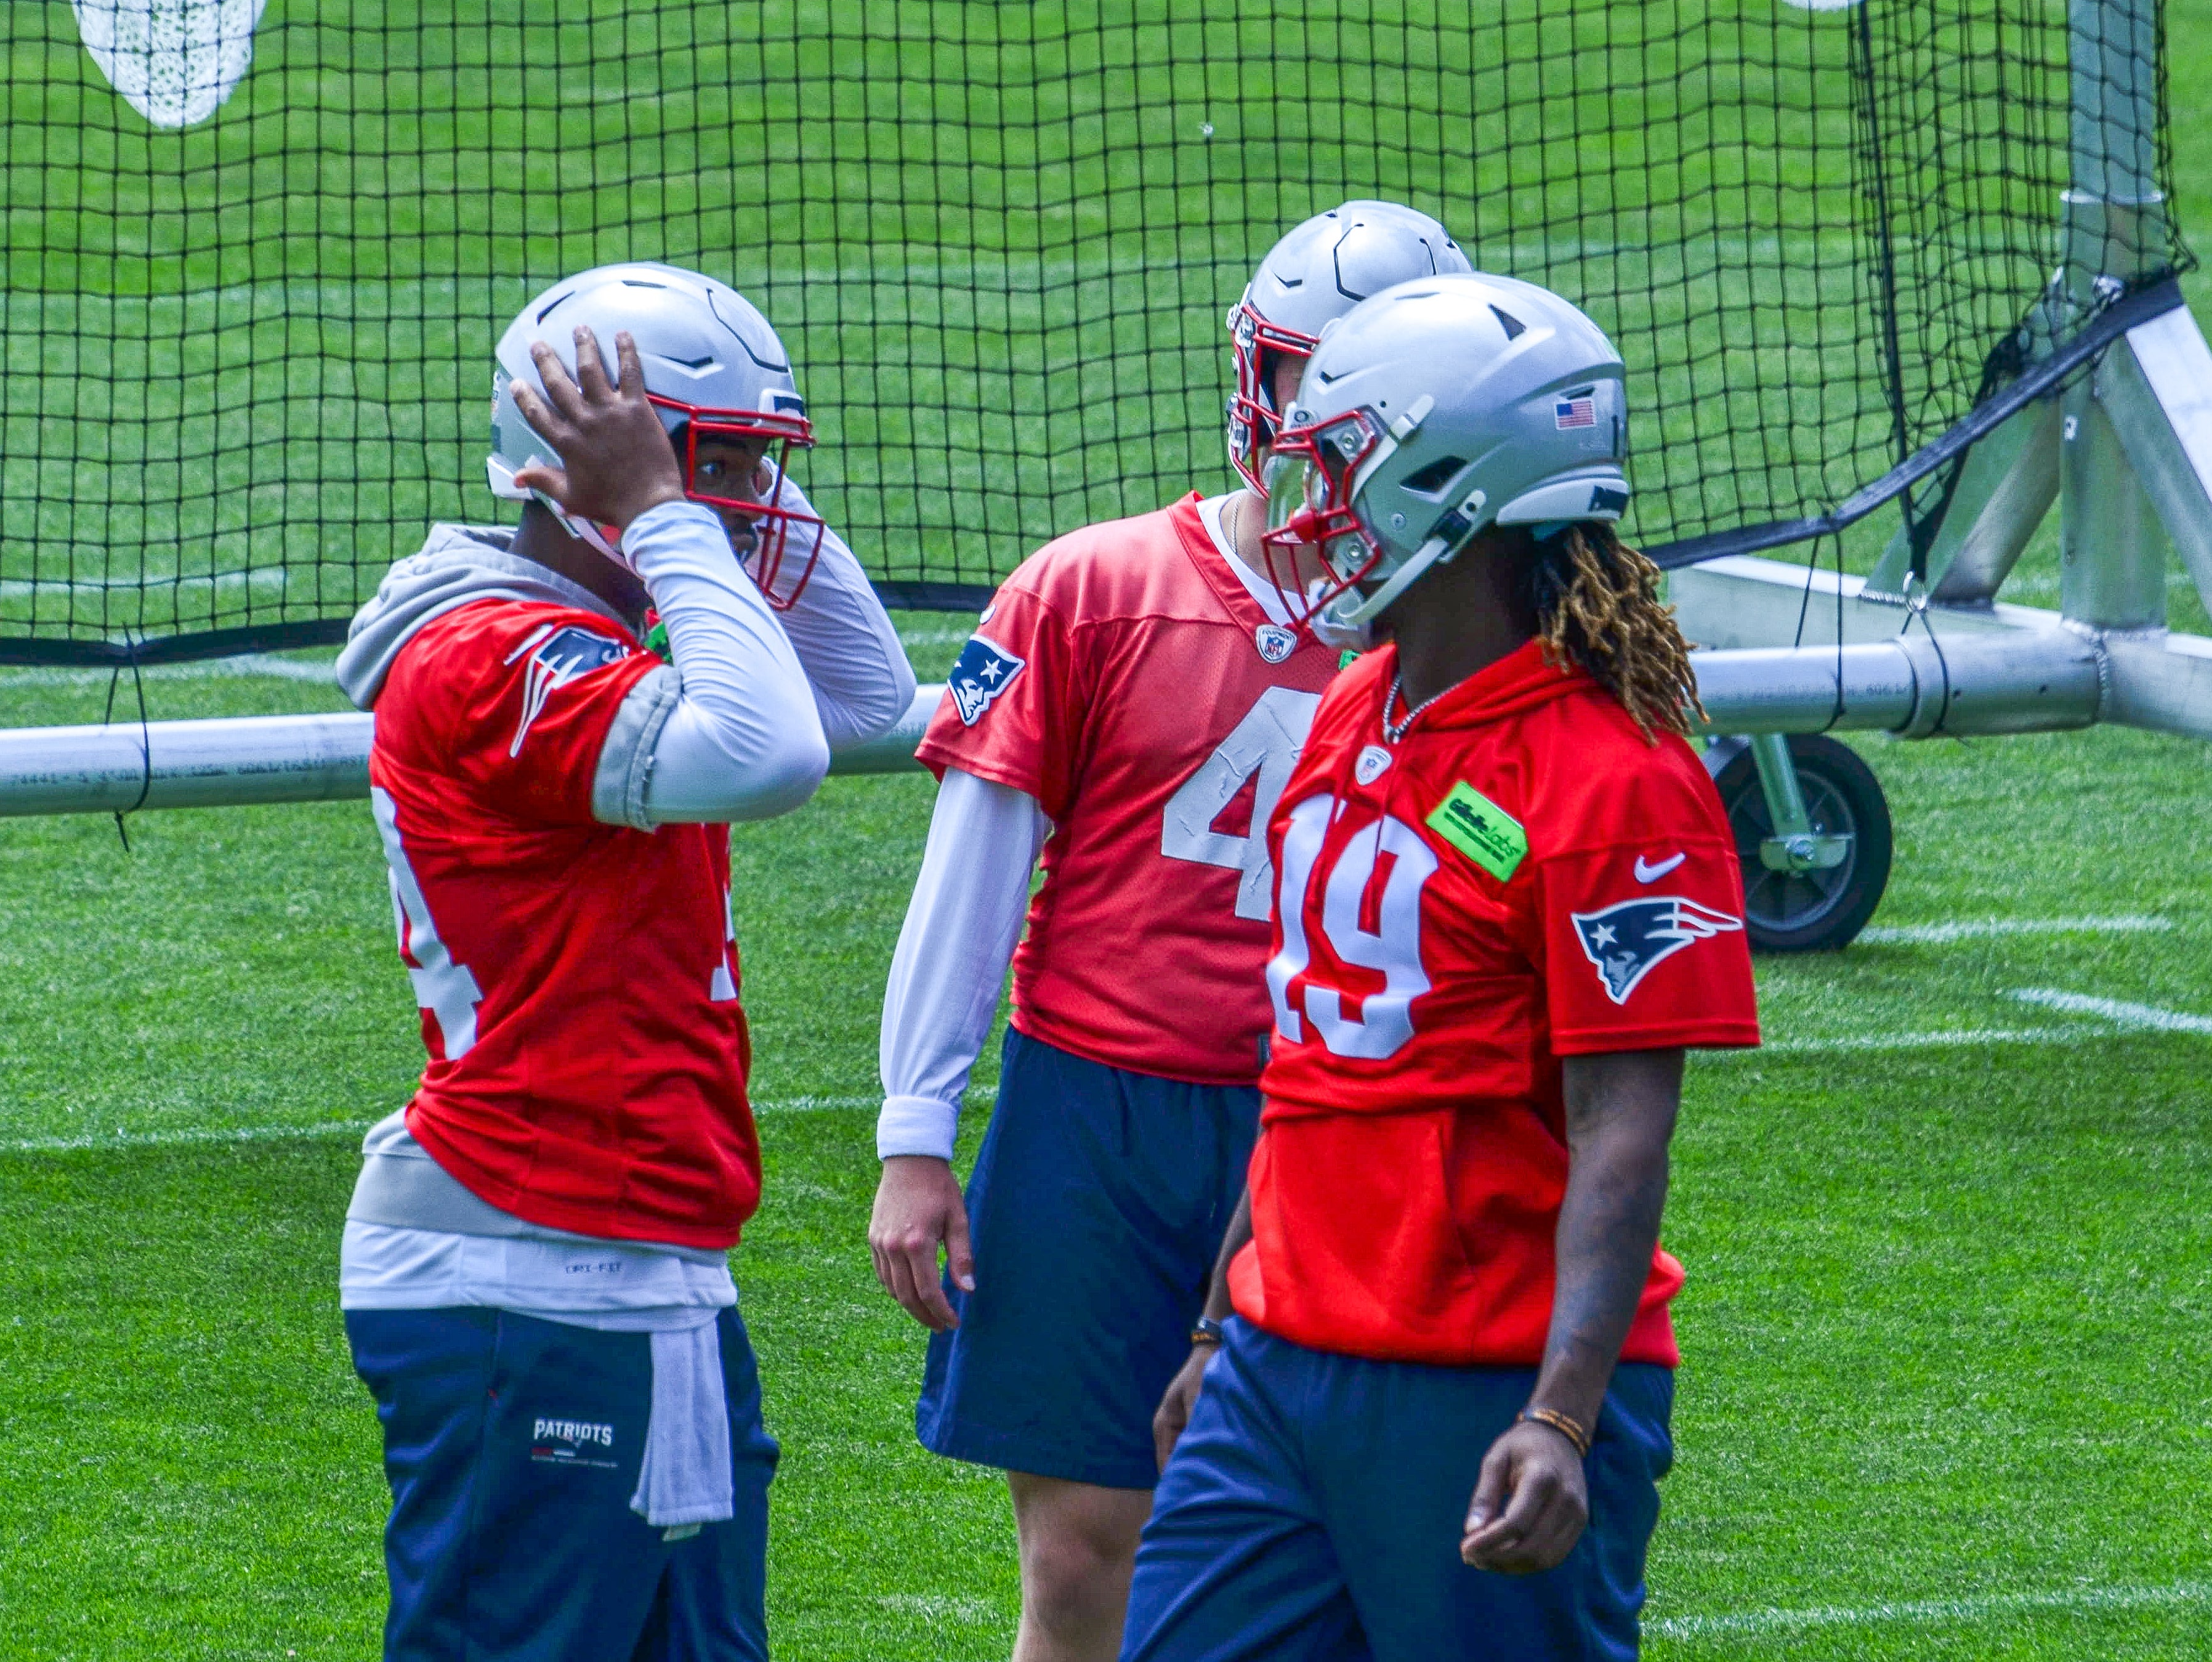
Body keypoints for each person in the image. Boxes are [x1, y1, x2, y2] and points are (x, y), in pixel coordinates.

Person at [1124, 271, 1761, 1661]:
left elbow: (1620, 1130)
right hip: (1278, 1354)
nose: (1317, 505)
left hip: (1480, 1373)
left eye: (1345, 467)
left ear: (1448, 488)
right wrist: (1215, 1328)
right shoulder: (1362, 698)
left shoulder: (1617, 781)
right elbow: (1313, 1059)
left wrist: (1559, 1413)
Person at [866, 203, 1470, 1662]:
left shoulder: (1454, 627)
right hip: (1099, 1104)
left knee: (1347, 1545)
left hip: (1348, 1113)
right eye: (1289, 375)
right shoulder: (1091, 588)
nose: (1299, 421)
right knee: (1080, 1551)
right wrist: (913, 1130)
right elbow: (975, 867)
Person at [333, 262, 915, 1662]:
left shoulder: (599, 625)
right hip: (525, 1264)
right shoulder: (484, 653)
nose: (751, 507)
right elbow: (770, 753)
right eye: (724, 465)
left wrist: (684, 512)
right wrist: (656, 509)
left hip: (636, 1252)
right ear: (592, 464)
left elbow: (866, 701)